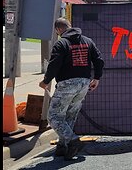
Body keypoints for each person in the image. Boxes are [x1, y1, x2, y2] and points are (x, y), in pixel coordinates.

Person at [39, 17, 104, 160]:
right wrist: (97, 78)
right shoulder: (87, 41)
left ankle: (73, 140)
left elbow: (54, 65)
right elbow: (99, 60)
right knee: (70, 115)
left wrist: (45, 81)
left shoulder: (61, 43)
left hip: (67, 84)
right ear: (70, 26)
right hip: (84, 84)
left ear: (58, 30)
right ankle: (63, 146)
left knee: (54, 116)